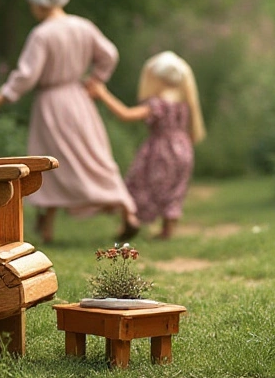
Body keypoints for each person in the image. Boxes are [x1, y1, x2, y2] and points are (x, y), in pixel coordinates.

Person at [0, 0, 139, 242]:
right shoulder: (83, 26)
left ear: (38, 3)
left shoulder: (42, 34)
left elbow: (25, 76)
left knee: (48, 162)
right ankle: (126, 211)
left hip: (52, 104)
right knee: (95, 156)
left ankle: (46, 228)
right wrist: (96, 81)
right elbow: (109, 55)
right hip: (79, 99)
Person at [86, 51, 205, 239]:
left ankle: (131, 221)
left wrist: (103, 94)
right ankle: (168, 229)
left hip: (160, 151)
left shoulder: (158, 103)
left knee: (138, 184)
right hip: (184, 149)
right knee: (175, 188)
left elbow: (126, 114)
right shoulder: (184, 101)